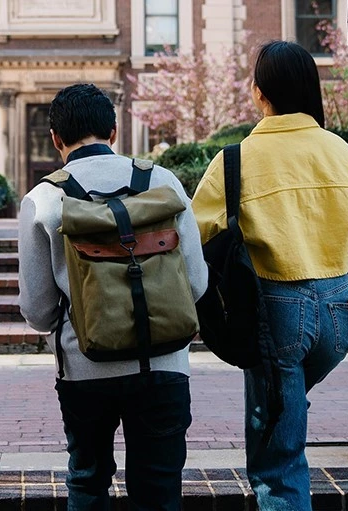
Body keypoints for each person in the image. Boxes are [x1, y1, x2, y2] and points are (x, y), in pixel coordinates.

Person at [191, 41, 348, 511]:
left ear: (258, 92)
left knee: (279, 463)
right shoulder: (343, 154)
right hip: (342, 307)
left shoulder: (235, 160)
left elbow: (195, 235)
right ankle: (287, 412)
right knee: (285, 410)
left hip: (276, 311)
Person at [18, 83, 208, 510]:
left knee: (87, 486)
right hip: (164, 363)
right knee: (159, 490)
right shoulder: (163, 182)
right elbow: (195, 284)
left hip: (85, 369)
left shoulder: (44, 199)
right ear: (115, 131)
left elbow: (38, 311)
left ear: (55, 139)